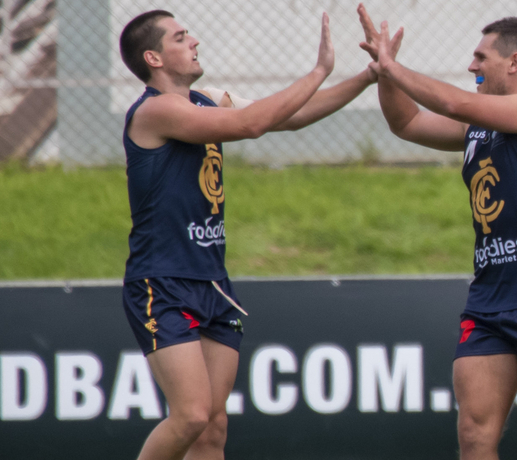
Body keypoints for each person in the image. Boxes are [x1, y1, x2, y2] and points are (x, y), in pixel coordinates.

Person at [118, 9, 376, 460]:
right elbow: (250, 124)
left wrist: (369, 76)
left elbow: (291, 116)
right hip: (163, 282)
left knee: (212, 428)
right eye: (180, 37)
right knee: (191, 416)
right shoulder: (156, 110)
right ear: (153, 58)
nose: (194, 41)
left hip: (213, 282)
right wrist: (318, 70)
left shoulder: (205, 100)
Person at [357, 5, 517, 459]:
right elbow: (406, 123)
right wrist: (385, 73)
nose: (471, 65)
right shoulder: (477, 125)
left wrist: (396, 67)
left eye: (481, 57)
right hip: (489, 301)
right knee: (475, 437)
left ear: (515, 63)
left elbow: (455, 102)